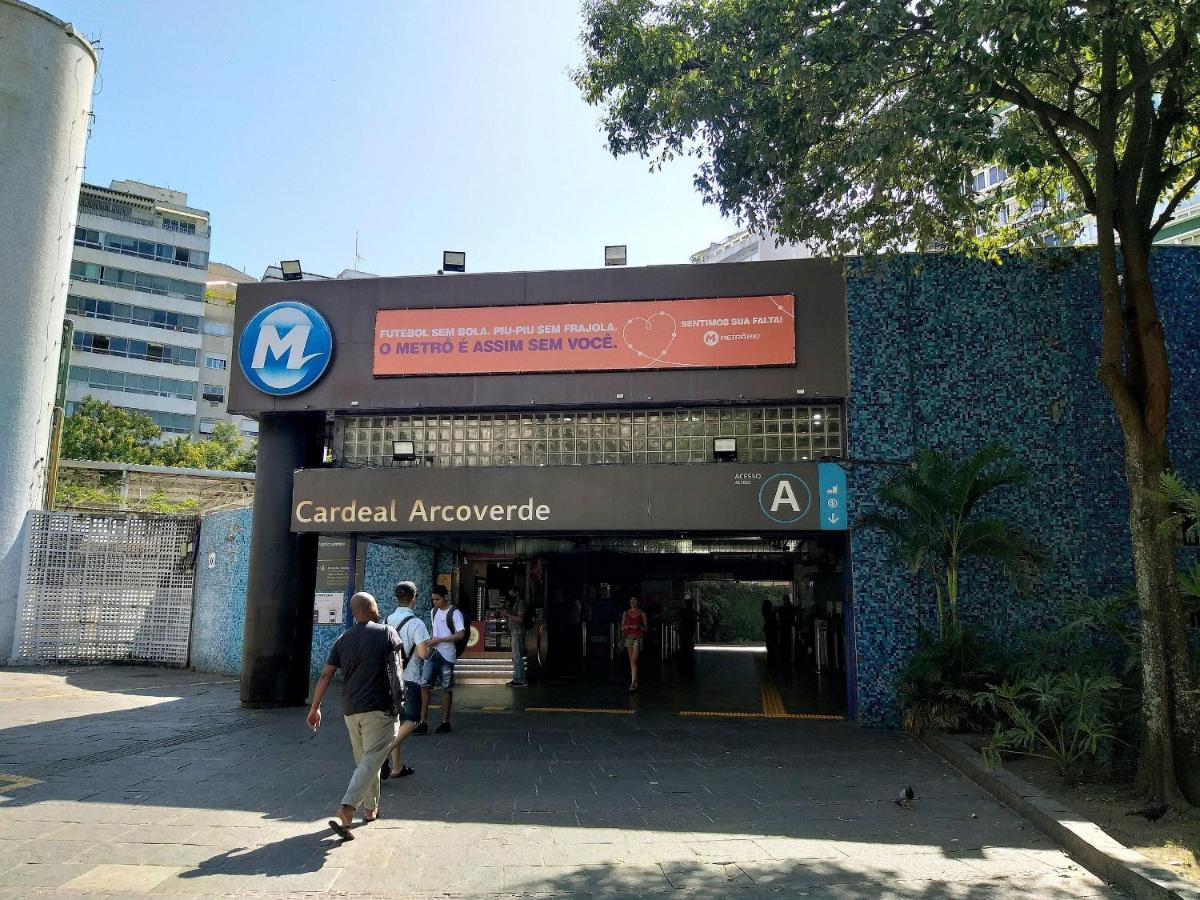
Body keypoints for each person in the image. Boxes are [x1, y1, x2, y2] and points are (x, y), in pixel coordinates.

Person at [306, 591, 402, 841]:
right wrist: (400, 701)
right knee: (372, 759)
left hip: (351, 710)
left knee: (366, 762)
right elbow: (397, 670)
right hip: (379, 708)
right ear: (371, 607)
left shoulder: (343, 639)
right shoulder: (387, 632)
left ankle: (370, 809)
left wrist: (315, 707)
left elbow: (326, 675)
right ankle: (348, 808)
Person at [383, 581, 430, 777]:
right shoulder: (416, 623)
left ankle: (397, 767)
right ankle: (380, 755)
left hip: (387, 678)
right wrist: (430, 649)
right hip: (409, 678)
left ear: (396, 598)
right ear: (414, 598)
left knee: (396, 722)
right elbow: (423, 654)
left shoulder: (386, 620)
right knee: (412, 720)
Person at [418, 584, 465, 734]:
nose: (435, 602)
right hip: (433, 653)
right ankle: (422, 721)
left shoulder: (455, 613)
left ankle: (445, 722)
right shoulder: (434, 611)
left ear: (445, 597)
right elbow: (434, 628)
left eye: (437, 599)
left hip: (447, 655)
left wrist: (439, 640)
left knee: (446, 688)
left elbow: (460, 634)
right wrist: (431, 641)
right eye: (433, 599)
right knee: (424, 685)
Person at [620, 595, 648, 693]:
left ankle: (632, 683)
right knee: (632, 661)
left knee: (633, 660)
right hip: (629, 638)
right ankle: (635, 680)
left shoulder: (642, 613)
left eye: (635, 600)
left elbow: (646, 628)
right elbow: (621, 627)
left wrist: (639, 626)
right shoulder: (625, 613)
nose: (633, 602)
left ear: (638, 602)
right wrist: (628, 626)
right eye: (631, 600)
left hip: (638, 638)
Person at [504, 589, 528, 687]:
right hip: (515, 632)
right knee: (515, 657)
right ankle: (517, 678)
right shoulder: (516, 603)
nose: (511, 595)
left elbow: (520, 618)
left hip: (518, 633)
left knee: (517, 657)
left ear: (516, 593)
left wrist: (508, 614)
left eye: (512, 593)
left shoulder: (521, 603)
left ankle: (520, 679)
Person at [777, 595, 797, 663]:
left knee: (786, 643)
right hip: (787, 627)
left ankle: (786, 657)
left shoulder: (783, 609)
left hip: (785, 628)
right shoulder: (790, 608)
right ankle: (788, 657)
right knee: (788, 643)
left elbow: (780, 617)